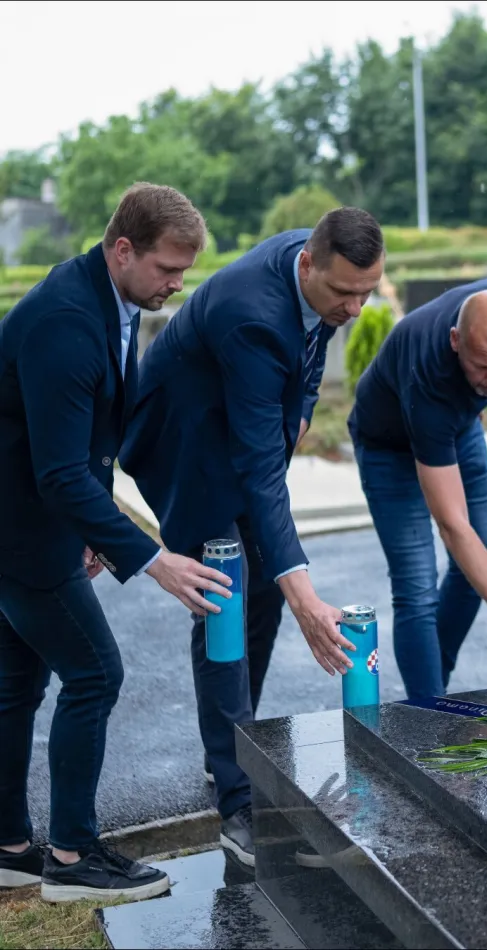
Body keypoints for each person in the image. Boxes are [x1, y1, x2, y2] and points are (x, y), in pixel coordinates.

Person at [119, 207, 386, 866]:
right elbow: (261, 474)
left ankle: (236, 746)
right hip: (184, 439)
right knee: (225, 591)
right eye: (343, 293)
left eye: (366, 293)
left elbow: (314, 351)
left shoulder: (321, 270)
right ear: (307, 265)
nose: (354, 307)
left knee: (264, 586)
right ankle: (238, 803)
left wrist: (297, 412)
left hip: (241, 417)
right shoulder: (254, 315)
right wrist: (308, 598)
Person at [0, 183, 233, 902]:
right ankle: (73, 861)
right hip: (21, 531)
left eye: (185, 271)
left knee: (16, 684)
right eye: (168, 269)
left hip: (28, 520)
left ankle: (8, 848)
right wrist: (150, 557)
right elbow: (59, 472)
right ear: (123, 249)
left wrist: (91, 524)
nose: (176, 284)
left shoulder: (104, 299)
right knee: (96, 674)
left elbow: (83, 451)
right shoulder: (67, 321)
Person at [347, 279, 487, 701]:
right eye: (484, 367)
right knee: (416, 587)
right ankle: (429, 711)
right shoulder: (430, 374)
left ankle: (428, 696)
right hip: (389, 444)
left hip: (457, 428)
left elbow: (470, 542)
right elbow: (453, 525)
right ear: (456, 340)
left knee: (481, 559)